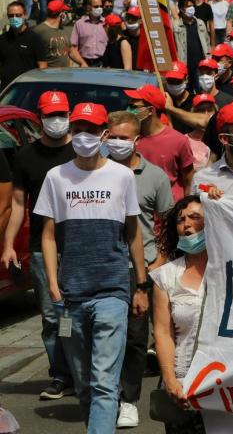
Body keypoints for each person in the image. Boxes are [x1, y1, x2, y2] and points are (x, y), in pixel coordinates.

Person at [35, 102, 149, 434]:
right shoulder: (56, 177)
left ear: (103, 134)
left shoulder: (122, 175)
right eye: (79, 128)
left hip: (112, 290)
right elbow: (48, 234)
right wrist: (53, 284)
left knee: (103, 381)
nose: (84, 136)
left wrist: (139, 283)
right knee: (84, 383)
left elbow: (133, 233)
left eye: (91, 129)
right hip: (70, 296)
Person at [1, 91, 75, 401]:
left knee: (78, 314)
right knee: (51, 316)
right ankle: (59, 375)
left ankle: (81, 371)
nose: (57, 120)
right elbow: (18, 204)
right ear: (41, 117)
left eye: (62, 114)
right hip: (40, 249)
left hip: (79, 246)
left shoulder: (80, 152)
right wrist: (8, 246)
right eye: (51, 115)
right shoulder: (25, 157)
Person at [105, 111, 174, 428]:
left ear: (136, 140)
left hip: (140, 266)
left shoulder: (155, 176)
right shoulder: (95, 171)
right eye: (112, 136)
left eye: (123, 137)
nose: (117, 143)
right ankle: (102, 393)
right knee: (100, 336)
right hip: (102, 263)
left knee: (134, 337)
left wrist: (158, 260)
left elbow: (167, 224)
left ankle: (128, 399)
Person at [150, 195, 207, 434]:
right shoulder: (165, 276)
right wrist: (170, 380)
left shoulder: (232, 270)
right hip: (183, 384)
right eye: (180, 220)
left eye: (195, 217)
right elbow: (163, 332)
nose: (186, 224)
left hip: (225, 382)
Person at [126, 85, 195, 201]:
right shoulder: (127, 138)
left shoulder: (179, 141)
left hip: (168, 211)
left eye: (133, 106)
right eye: (128, 105)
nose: (128, 110)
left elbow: (188, 181)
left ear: (150, 110)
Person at [0, 1, 47, 87]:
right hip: (7, 88)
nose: (14, 18)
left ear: (24, 15)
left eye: (18, 15)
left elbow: (42, 65)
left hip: (27, 88)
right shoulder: (2, 39)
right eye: (11, 16)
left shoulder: (34, 38)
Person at [33, 0, 76, 68]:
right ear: (61, 14)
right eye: (65, 12)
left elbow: (70, 49)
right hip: (50, 76)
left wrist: (82, 63)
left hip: (66, 75)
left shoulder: (62, 29)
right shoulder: (38, 30)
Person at [69, 0, 107, 67]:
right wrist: (82, 63)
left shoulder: (106, 23)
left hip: (102, 63)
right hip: (84, 62)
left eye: (100, 6)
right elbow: (73, 48)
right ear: (88, 8)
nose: (99, 8)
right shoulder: (79, 24)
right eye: (96, 6)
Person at [164, 62, 195, 133]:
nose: (174, 85)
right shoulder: (164, 100)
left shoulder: (195, 101)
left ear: (186, 79)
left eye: (177, 81)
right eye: (170, 81)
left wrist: (170, 108)